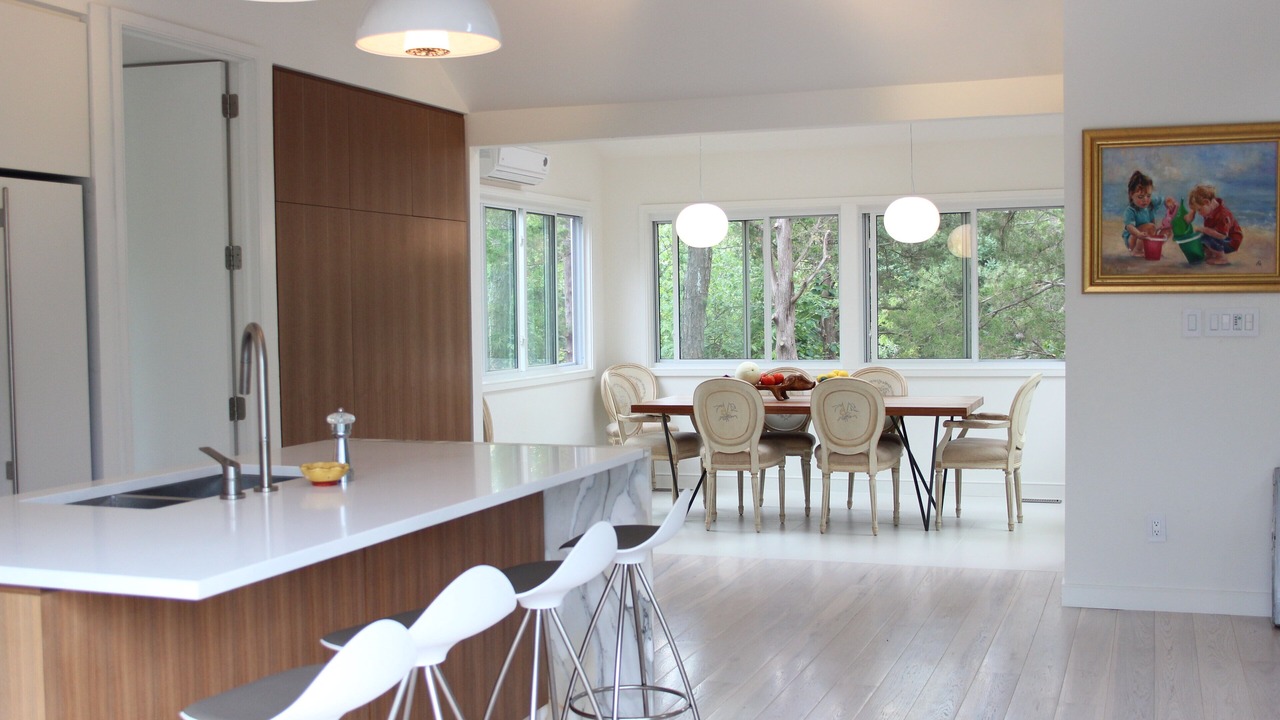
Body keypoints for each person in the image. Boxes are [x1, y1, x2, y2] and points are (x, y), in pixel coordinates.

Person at [1187, 182, 1243, 266]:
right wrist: (1193, 211)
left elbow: (1222, 235)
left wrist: (1205, 230)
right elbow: (1187, 220)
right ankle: (1211, 255)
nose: (1199, 213)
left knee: (1207, 238)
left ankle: (1221, 258)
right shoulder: (1209, 208)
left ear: (1206, 202)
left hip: (1230, 242)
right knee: (1200, 238)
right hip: (1219, 239)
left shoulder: (1223, 214)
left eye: (1199, 210)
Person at [1122, 170, 1171, 258]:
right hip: (1132, 239)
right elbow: (1129, 227)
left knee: (1168, 230)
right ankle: (1137, 250)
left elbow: (1162, 199)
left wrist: (1167, 202)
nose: (1145, 199)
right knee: (1151, 227)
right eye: (1140, 197)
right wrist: (1138, 234)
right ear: (1131, 195)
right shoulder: (1130, 210)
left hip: (1146, 235)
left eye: (1148, 196)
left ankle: (1152, 249)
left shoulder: (1150, 204)